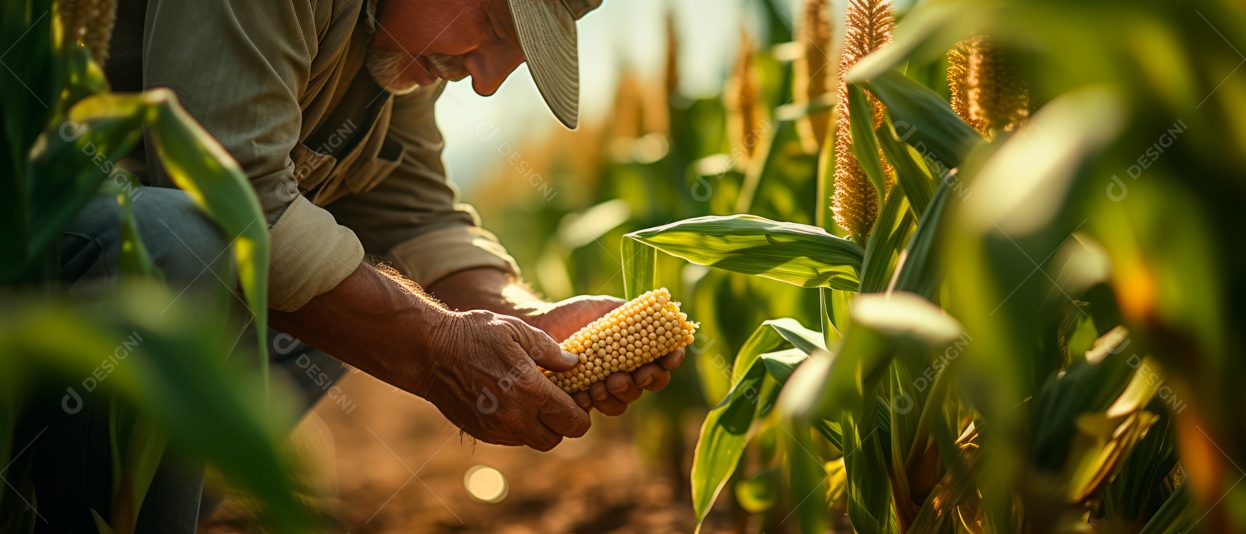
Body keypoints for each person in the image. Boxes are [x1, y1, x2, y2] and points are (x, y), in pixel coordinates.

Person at [41, 0, 685, 530]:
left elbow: (416, 215)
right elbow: (234, 198)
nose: (487, 80)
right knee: (185, 235)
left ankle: (165, 496)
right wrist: (432, 346)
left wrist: (523, 315)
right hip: (37, 222)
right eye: (491, 23)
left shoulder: (395, 51)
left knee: (356, 286)